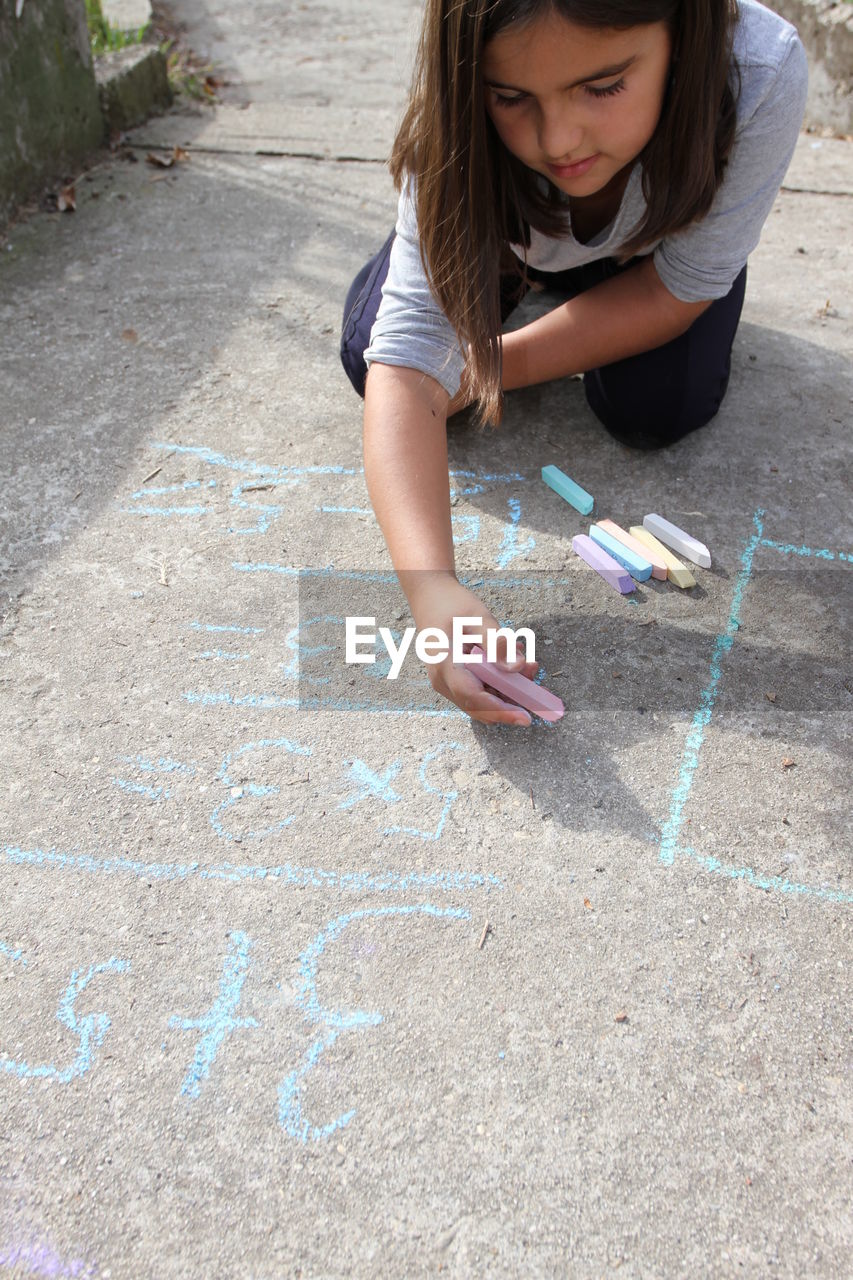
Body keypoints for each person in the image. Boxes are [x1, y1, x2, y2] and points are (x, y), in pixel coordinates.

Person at [340, 0, 808, 727]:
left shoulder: (759, 68)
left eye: (602, 86)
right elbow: (405, 359)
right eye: (509, 97)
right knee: (368, 358)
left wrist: (485, 371)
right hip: (501, 229)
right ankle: (479, 254)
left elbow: (678, 288)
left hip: (654, 255)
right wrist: (431, 590)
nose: (557, 139)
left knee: (656, 407)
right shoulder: (462, 109)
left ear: (681, 38)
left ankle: (552, 289)